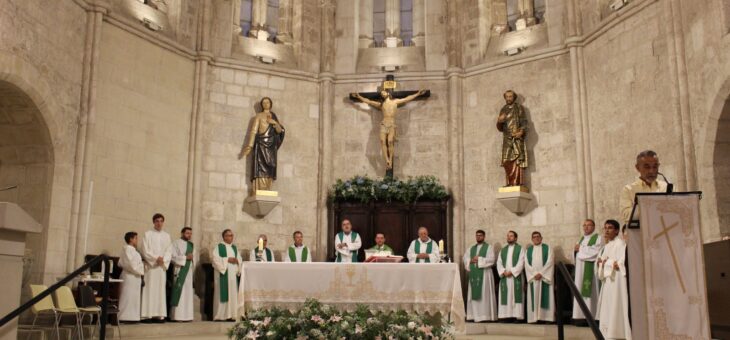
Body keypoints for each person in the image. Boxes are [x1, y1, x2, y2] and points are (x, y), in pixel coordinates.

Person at [350, 88, 426, 170]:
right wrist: (359, 96)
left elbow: (407, 98)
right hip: (383, 124)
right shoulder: (381, 105)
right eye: (381, 94)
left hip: (391, 124)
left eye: (384, 92)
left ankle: (390, 159)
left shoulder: (395, 102)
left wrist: (418, 94)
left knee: (390, 141)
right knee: (382, 141)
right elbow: (368, 101)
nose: (382, 94)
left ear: (388, 93)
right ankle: (387, 161)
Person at [595, 220, 631, 339]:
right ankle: (608, 332)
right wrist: (602, 263)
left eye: (610, 228)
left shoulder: (620, 244)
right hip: (608, 281)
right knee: (609, 306)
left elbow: (620, 264)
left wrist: (607, 263)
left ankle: (617, 333)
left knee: (616, 305)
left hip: (617, 282)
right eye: (605, 228)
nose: (606, 230)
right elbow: (602, 262)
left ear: (616, 230)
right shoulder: (607, 246)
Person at [241, 97, 285, 192]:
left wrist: (274, 122)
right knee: (261, 168)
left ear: (270, 104)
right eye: (264, 102)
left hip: (271, 147)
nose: (265, 104)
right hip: (260, 145)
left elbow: (279, 131)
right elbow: (253, 131)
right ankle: (260, 189)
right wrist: (250, 145)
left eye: (267, 102)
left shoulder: (274, 117)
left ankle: (267, 189)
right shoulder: (259, 116)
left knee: (270, 167)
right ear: (261, 105)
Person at [619, 150, 668, 227]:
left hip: (666, 231)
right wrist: (649, 209)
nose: (651, 171)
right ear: (637, 168)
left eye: (655, 166)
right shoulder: (629, 190)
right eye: (647, 167)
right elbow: (626, 214)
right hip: (640, 234)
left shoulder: (666, 187)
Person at [139, 213, 172, 322]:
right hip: (151, 267)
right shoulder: (147, 234)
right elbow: (144, 250)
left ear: (163, 222)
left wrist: (163, 259)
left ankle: (159, 315)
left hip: (161, 268)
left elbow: (169, 251)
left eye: (161, 221)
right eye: (157, 221)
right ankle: (147, 315)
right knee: (149, 289)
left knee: (160, 290)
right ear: (153, 222)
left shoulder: (167, 236)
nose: (159, 223)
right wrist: (155, 258)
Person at [572, 219, 603, 323]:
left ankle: (593, 316)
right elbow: (577, 255)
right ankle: (581, 317)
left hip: (590, 271)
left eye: (588, 225)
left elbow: (596, 252)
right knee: (580, 290)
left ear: (594, 227)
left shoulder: (598, 238)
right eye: (584, 225)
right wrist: (577, 250)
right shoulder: (580, 239)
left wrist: (580, 249)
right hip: (580, 271)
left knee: (591, 291)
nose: (586, 227)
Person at [463, 229, 497, 322]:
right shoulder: (471, 248)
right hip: (474, 274)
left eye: (480, 235)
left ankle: (485, 316)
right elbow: (465, 258)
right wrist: (470, 260)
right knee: (474, 295)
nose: (478, 237)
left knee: (484, 294)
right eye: (477, 235)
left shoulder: (489, 247)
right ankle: (474, 316)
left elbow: (492, 260)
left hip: (485, 274)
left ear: (484, 236)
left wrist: (480, 259)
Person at [496, 90, 528, 187]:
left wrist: (521, 132)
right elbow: (500, 128)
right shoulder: (503, 109)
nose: (509, 98)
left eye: (510, 96)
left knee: (517, 160)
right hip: (507, 139)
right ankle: (509, 183)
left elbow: (524, 122)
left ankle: (517, 183)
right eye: (507, 97)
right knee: (506, 161)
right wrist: (499, 121)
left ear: (513, 97)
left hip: (517, 138)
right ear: (505, 98)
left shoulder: (519, 108)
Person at [211, 229, 243, 321]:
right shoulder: (219, 247)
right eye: (229, 235)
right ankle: (220, 316)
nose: (231, 237)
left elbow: (239, 259)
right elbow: (215, 259)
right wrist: (227, 260)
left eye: (232, 235)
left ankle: (231, 315)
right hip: (223, 275)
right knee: (223, 295)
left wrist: (237, 261)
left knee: (232, 294)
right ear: (224, 237)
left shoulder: (234, 247)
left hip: (233, 275)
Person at [524, 231, 554, 323]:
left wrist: (541, 273)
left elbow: (550, 261)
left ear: (541, 238)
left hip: (544, 278)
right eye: (534, 237)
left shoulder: (548, 248)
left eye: (538, 236)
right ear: (532, 239)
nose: (536, 238)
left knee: (546, 297)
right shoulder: (528, 250)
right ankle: (534, 318)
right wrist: (534, 274)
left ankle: (546, 318)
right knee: (534, 298)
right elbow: (526, 264)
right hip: (534, 279)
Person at [497, 230, 525, 322]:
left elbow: (522, 262)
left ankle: (517, 316)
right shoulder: (503, 250)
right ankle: (507, 316)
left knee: (515, 296)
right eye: (508, 236)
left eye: (511, 236)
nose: (509, 237)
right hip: (505, 277)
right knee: (506, 297)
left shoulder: (520, 249)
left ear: (516, 238)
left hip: (515, 277)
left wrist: (512, 271)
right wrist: (503, 271)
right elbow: (499, 262)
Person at [118, 232, 144, 323]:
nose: (137, 240)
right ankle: (124, 317)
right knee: (127, 297)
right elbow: (130, 264)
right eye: (136, 238)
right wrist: (141, 269)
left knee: (134, 298)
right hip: (129, 276)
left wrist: (141, 268)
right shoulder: (127, 249)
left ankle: (133, 317)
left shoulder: (134, 251)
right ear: (131, 239)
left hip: (135, 277)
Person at [169, 227, 194, 322]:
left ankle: (187, 316)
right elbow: (172, 257)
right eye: (187, 233)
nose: (189, 235)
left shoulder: (191, 245)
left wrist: (190, 258)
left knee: (187, 293)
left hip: (188, 272)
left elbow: (192, 259)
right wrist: (185, 258)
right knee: (179, 291)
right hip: (179, 270)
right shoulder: (175, 243)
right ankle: (177, 316)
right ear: (182, 233)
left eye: (190, 233)